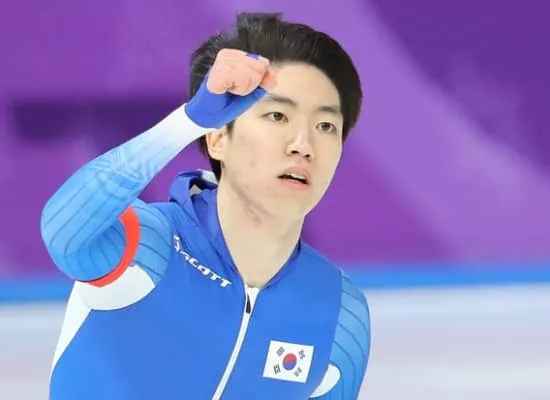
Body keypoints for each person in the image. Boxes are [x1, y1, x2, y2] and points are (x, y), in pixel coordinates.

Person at [40, 12, 371, 400]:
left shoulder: (339, 315)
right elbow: (65, 234)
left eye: (325, 126)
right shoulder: (151, 249)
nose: (303, 144)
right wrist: (186, 123)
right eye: (277, 115)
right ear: (217, 138)